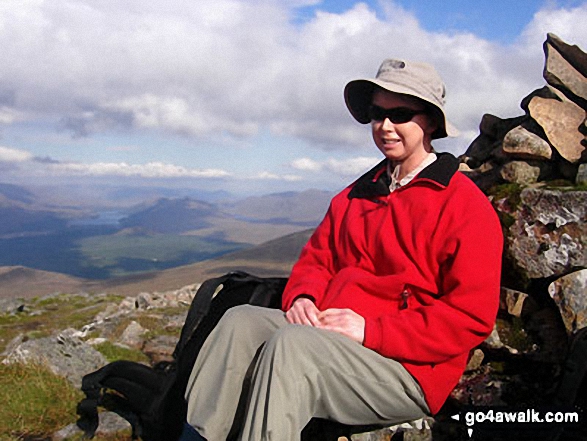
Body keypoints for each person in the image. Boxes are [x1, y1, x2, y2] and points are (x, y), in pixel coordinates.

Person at [181, 58, 503, 441]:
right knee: (239, 322)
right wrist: (302, 295)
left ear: (431, 121)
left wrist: (372, 330)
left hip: (407, 368)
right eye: (376, 113)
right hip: (331, 334)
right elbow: (317, 259)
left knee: (292, 346)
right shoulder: (355, 195)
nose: (385, 126)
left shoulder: (463, 206)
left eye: (400, 114)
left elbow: (470, 316)